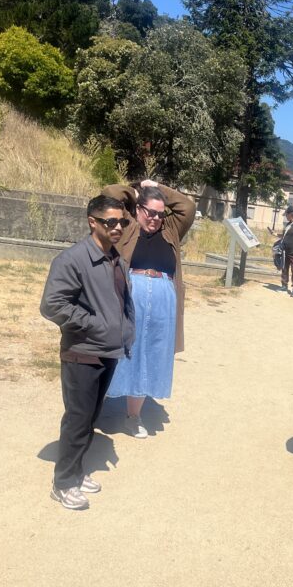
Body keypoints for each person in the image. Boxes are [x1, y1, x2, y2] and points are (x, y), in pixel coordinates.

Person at [40, 196, 135, 510]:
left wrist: (122, 332)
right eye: (111, 221)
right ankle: (63, 482)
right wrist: (95, 325)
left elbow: (121, 304)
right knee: (78, 419)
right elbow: (52, 305)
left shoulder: (115, 259)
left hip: (107, 351)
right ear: (92, 221)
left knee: (91, 417)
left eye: (123, 221)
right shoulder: (73, 259)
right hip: (82, 351)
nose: (118, 227)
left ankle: (77, 472)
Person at [103, 180, 197, 438]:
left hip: (164, 299)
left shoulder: (171, 229)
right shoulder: (126, 226)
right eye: (150, 212)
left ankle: (133, 417)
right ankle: (98, 402)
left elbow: (187, 206)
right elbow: (109, 194)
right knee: (121, 349)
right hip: (130, 296)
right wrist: (135, 191)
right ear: (138, 209)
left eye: (159, 213)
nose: (155, 218)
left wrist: (158, 187)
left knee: (151, 354)